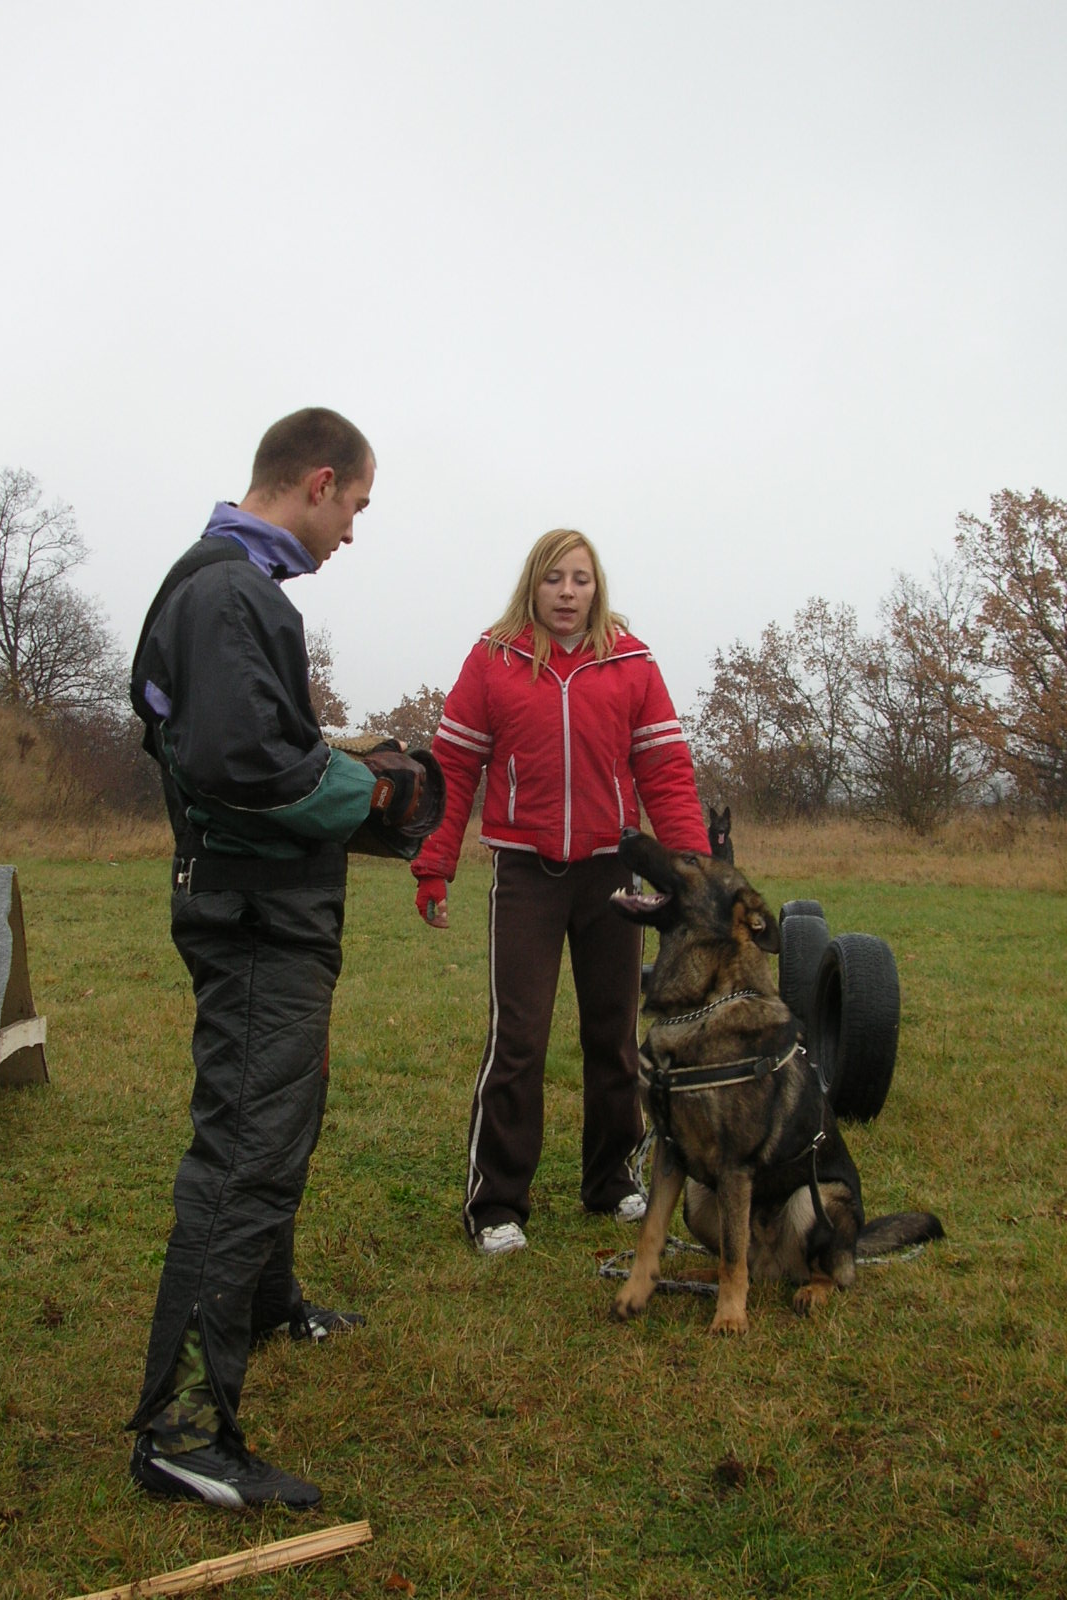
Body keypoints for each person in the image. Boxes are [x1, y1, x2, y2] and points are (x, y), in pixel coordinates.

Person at [127, 408, 429, 1509]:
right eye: (355, 506)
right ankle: (181, 1429)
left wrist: (342, 754)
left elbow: (242, 745)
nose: (353, 531)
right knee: (245, 1151)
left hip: (275, 921)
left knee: (280, 1117)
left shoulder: (237, 594)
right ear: (316, 481)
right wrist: (381, 791)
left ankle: (265, 1299)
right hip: (255, 924)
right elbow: (243, 759)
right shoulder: (225, 593)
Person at [412, 529, 710, 1256]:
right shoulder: (493, 659)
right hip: (525, 877)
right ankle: (496, 1206)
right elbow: (453, 764)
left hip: (613, 876)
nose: (567, 593)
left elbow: (666, 772)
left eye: (580, 579)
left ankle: (610, 1181)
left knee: (613, 1038)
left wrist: (695, 876)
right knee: (518, 1040)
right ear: (533, 587)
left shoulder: (633, 662)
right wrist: (434, 864)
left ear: (596, 587)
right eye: (554, 579)